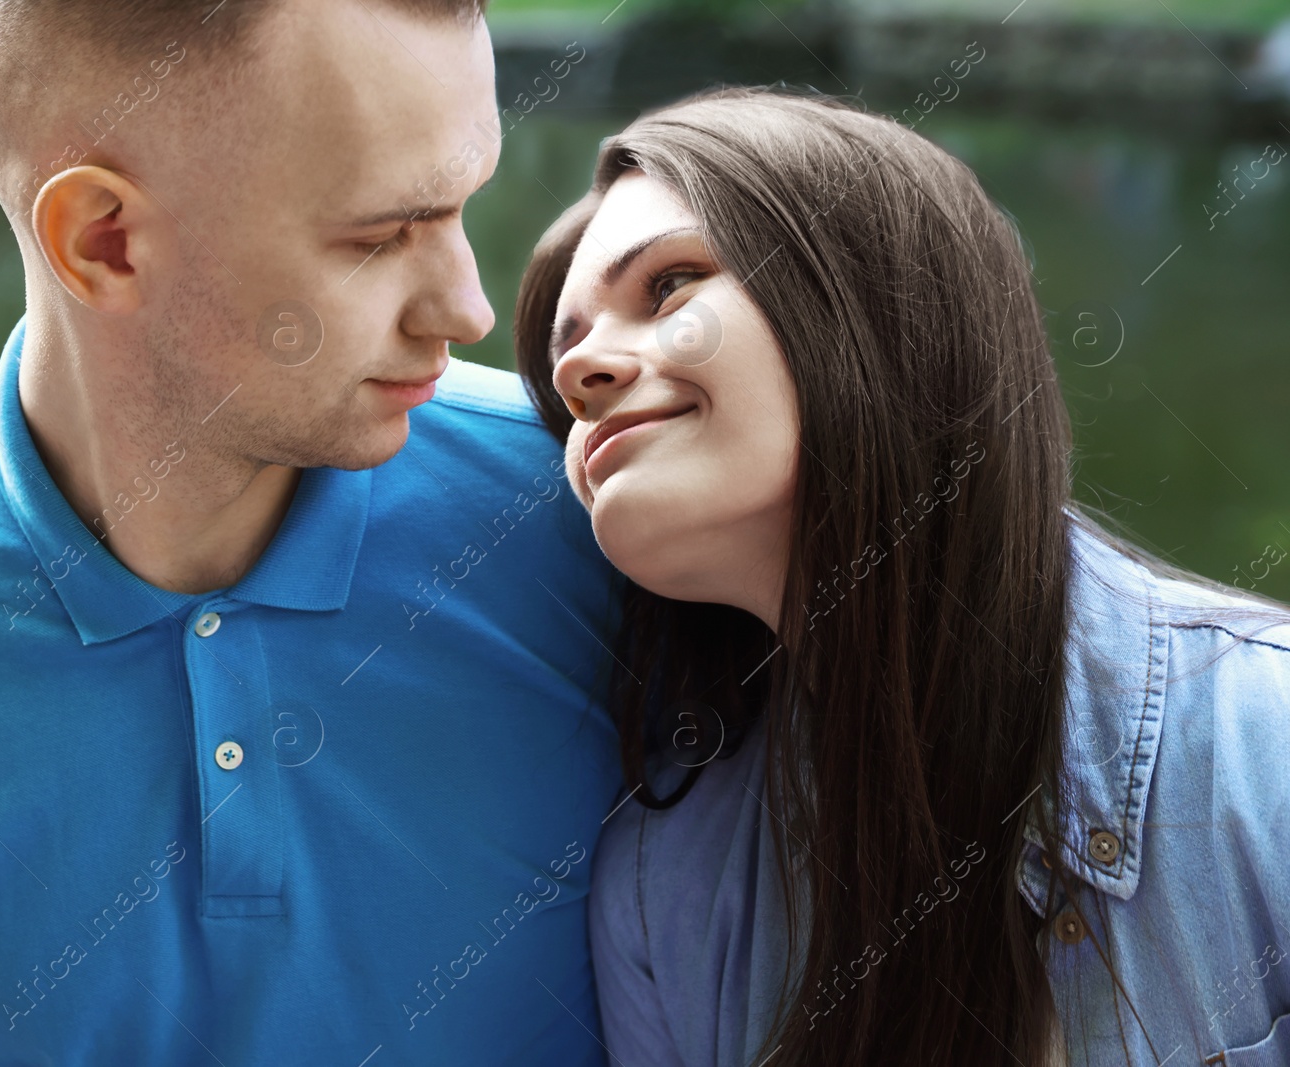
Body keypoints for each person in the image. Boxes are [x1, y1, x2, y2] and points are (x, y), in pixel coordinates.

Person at [0, 2, 622, 1064]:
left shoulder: (595, 508)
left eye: (464, 208)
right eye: (379, 235)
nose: (465, 307)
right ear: (105, 241)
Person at [513, 87, 1290, 1067]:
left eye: (668, 285)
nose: (581, 373)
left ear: (877, 299)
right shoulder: (656, 891)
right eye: (564, 365)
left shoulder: (1265, 746)